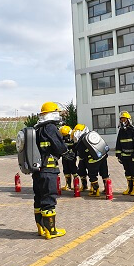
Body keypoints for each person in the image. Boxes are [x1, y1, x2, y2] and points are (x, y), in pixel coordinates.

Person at [33, 102, 70, 239]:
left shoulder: (37, 130)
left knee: (39, 198)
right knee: (49, 198)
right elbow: (59, 145)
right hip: (49, 170)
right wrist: (66, 153)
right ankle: (51, 230)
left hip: (37, 170)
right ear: (53, 113)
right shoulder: (50, 128)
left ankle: (41, 228)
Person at [73, 124, 109, 197]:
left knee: (92, 175)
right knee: (104, 173)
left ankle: (96, 191)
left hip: (93, 161)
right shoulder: (91, 135)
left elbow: (82, 155)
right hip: (103, 157)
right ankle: (107, 189)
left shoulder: (81, 141)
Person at [115, 111, 134, 196]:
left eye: (124, 119)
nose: (123, 121)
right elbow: (118, 143)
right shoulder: (121, 131)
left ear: (128, 120)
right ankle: (129, 188)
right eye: (121, 119)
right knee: (127, 172)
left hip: (132, 156)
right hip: (125, 156)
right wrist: (118, 154)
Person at [71, 124, 89, 192]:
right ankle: (84, 185)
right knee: (81, 171)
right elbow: (75, 148)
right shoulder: (78, 139)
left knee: (92, 173)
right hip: (82, 158)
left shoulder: (87, 137)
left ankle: (94, 187)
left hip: (89, 158)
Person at [59, 125, 77, 191]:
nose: (65, 137)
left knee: (73, 169)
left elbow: (75, 146)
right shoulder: (62, 137)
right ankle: (68, 185)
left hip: (72, 156)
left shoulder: (73, 137)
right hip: (65, 156)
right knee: (66, 170)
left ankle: (76, 185)